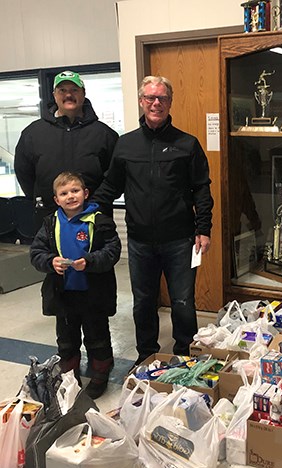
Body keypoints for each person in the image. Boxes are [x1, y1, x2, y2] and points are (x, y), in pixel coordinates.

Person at [93, 75, 213, 366]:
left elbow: (201, 188)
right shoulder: (126, 144)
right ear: (141, 101)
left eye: (162, 98)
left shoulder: (187, 144)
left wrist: (204, 229)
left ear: (170, 102)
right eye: (150, 97)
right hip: (139, 241)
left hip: (180, 240)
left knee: (183, 302)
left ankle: (186, 353)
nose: (156, 103)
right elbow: (110, 187)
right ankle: (146, 354)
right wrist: (85, 213)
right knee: (143, 302)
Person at [30, 172, 121, 399]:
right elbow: (36, 253)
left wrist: (89, 261)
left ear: (85, 193)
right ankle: (70, 375)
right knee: (66, 338)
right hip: (64, 294)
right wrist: (51, 262)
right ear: (56, 199)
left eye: (75, 191)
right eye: (64, 193)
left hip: (94, 293)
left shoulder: (100, 220)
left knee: (97, 335)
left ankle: (100, 374)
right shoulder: (50, 223)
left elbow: (112, 251)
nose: (70, 196)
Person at [14, 70, 118, 228]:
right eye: (62, 90)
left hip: (94, 218)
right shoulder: (33, 133)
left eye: (74, 90)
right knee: (51, 254)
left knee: (95, 254)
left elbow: (115, 176)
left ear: (83, 94)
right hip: (49, 218)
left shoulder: (104, 134)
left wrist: (96, 202)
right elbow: (24, 173)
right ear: (54, 95)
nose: (68, 95)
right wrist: (42, 197)